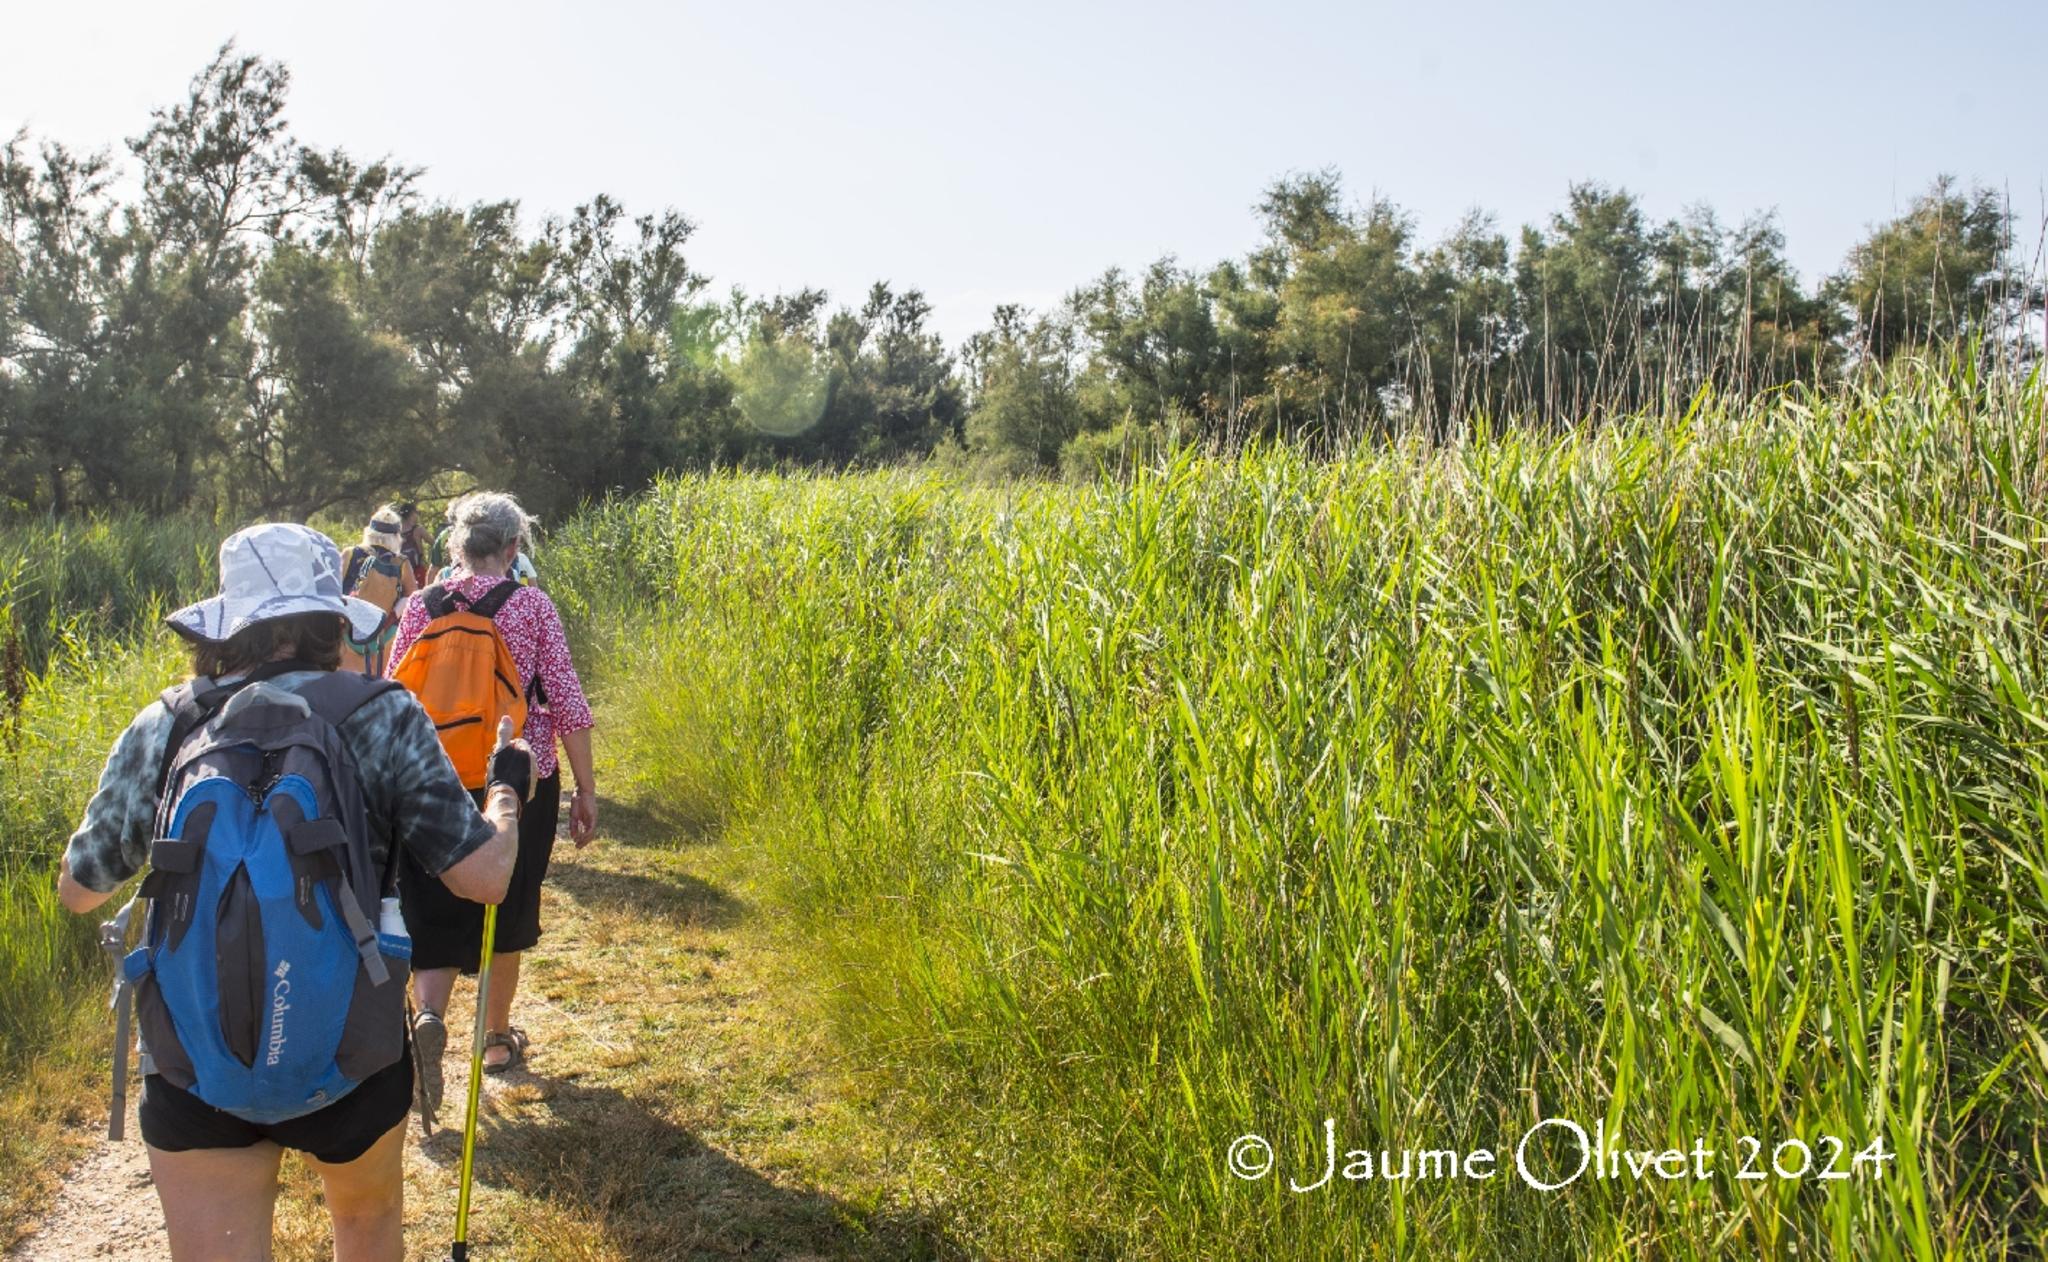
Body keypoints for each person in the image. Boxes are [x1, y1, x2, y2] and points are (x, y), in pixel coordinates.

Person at [56, 522, 529, 1262]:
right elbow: (485, 877)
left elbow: (81, 891)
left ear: (223, 623)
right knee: (366, 1228)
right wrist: (506, 788)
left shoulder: (169, 721)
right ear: (330, 620)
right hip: (350, 1046)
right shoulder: (382, 713)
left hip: (195, 1057)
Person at [388, 491, 595, 1098]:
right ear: (512, 547)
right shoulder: (531, 607)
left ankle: (429, 1018)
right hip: (518, 774)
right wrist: (584, 789)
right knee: (506, 899)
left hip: (432, 775)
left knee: (432, 901)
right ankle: (497, 1039)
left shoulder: (419, 607)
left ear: (455, 547)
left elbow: (393, 696)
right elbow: (568, 703)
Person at [339, 506, 420, 675]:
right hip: (385, 636)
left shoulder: (350, 554)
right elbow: (413, 599)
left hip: (347, 633)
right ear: (397, 536)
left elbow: (332, 590)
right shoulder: (401, 562)